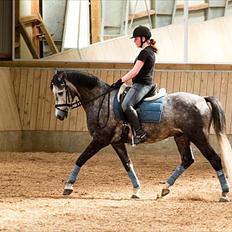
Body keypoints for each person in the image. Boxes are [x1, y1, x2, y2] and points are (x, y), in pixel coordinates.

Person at [111, 25, 158, 145]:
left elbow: (134, 71)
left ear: (143, 38)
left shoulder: (145, 53)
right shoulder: (149, 52)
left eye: (136, 38)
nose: (134, 41)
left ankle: (140, 132)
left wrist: (120, 81)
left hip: (142, 85)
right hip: (142, 84)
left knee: (126, 105)